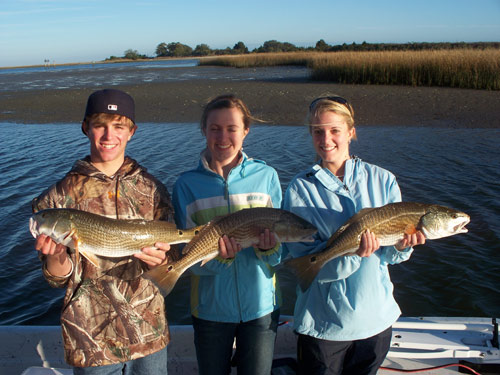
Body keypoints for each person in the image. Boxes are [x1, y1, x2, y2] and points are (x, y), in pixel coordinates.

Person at [32, 89, 174, 374]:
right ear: (86, 127)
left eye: (119, 126)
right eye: (100, 125)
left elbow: (171, 259)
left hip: (150, 333)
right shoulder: (55, 200)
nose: (109, 136)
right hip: (91, 341)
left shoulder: (154, 189)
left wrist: (160, 260)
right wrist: (57, 256)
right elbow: (58, 279)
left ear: (132, 132)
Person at [282, 95, 426, 375]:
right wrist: (354, 255)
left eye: (335, 130)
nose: (327, 139)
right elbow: (306, 262)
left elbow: (390, 256)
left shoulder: (383, 179)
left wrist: (404, 245)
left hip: (376, 320)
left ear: (351, 132)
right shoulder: (299, 188)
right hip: (325, 325)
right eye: (318, 131)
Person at [172, 94, 282, 375]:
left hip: (260, 308)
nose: (223, 137)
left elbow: (282, 251)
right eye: (215, 128)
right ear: (204, 131)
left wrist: (270, 250)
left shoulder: (267, 176)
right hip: (209, 309)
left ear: (246, 131)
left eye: (232, 128)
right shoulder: (186, 185)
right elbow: (189, 255)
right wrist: (220, 259)